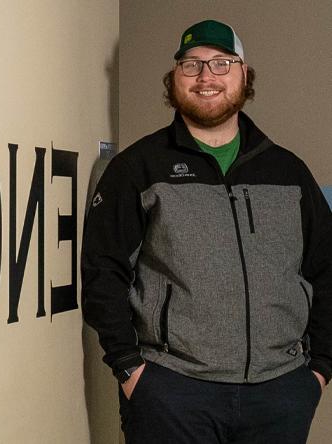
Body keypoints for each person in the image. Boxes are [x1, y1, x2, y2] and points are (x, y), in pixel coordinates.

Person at [82, 19, 332, 443]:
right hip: (173, 393)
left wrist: (319, 370)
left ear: (244, 75)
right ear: (174, 77)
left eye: (221, 64)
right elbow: (102, 273)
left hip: (280, 393)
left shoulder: (288, 172)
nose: (205, 77)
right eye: (191, 64)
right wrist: (130, 370)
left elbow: (325, 269)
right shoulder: (138, 168)